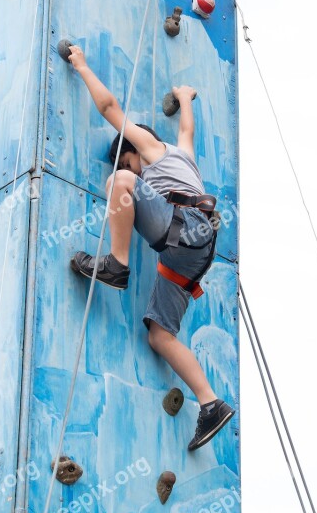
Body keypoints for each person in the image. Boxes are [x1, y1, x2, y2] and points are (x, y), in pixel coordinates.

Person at [68, 44, 235, 451]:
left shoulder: (147, 148)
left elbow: (110, 108)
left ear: (133, 150)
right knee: (159, 335)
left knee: (118, 188)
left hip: (186, 229)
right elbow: (187, 130)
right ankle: (211, 404)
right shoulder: (183, 156)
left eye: (125, 161)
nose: (128, 170)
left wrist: (83, 66)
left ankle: (117, 264)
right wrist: (185, 98)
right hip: (191, 253)